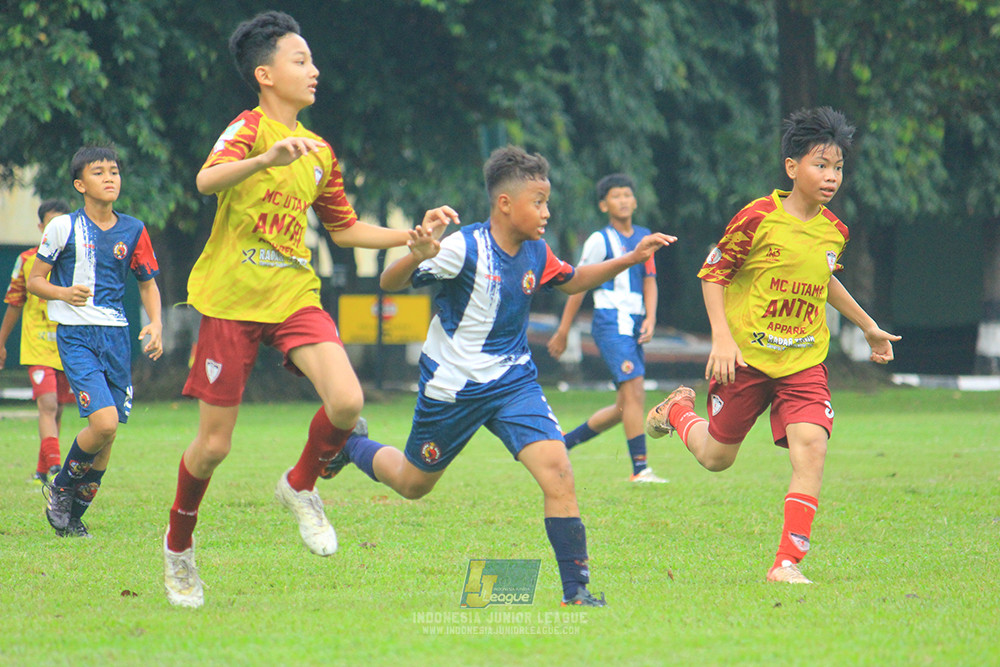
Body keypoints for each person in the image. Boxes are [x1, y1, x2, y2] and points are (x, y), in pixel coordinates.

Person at [162, 10, 458, 608]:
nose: (314, 71)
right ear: (266, 75)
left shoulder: (321, 151)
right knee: (213, 447)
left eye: (313, 61)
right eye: (301, 61)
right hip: (230, 300)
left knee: (348, 401)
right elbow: (205, 180)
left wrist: (412, 238)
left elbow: (344, 230)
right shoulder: (247, 129)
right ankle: (179, 548)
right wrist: (265, 161)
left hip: (294, 294)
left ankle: (300, 487)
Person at [321, 146, 676, 606]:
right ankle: (351, 443)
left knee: (559, 473)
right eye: (538, 201)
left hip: (513, 383)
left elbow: (571, 279)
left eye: (547, 201)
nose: (547, 212)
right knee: (412, 484)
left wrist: (629, 259)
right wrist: (415, 255)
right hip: (453, 388)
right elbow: (390, 282)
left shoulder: (536, 251)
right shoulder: (462, 247)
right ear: (505, 203)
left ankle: (577, 593)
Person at [645, 107, 900, 584]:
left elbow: (822, 280)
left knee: (812, 447)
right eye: (820, 165)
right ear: (792, 167)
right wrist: (721, 338)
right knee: (716, 458)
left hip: (804, 360)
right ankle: (677, 410)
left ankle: (786, 563)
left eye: (838, 167)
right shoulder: (758, 217)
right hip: (745, 358)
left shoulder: (835, 231)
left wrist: (868, 326)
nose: (831, 177)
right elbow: (713, 272)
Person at [27, 147, 163, 539]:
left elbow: (147, 283)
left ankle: (73, 517)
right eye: (99, 172)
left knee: (109, 434)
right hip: (77, 335)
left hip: (116, 337)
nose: (109, 178)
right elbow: (36, 280)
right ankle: (60, 488)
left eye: (114, 171)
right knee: (102, 423)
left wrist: (155, 323)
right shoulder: (62, 228)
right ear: (79, 184)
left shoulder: (134, 229)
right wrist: (62, 293)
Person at [547, 173, 667, 483]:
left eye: (628, 194)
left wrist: (651, 317)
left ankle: (564, 443)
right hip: (610, 322)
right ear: (604, 205)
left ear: (636, 201)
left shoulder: (644, 236)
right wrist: (563, 330)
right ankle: (640, 470)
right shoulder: (600, 240)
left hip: (635, 323)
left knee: (624, 405)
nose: (623, 200)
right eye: (616, 196)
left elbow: (650, 279)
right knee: (635, 392)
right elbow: (577, 284)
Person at [1, 199, 76, 485]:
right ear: (41, 227)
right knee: (48, 403)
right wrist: (2, 341)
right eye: (50, 224)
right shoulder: (27, 260)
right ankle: (57, 467)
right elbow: (15, 302)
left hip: (68, 347)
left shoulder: (75, 259)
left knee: (58, 408)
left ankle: (41, 470)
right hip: (37, 346)